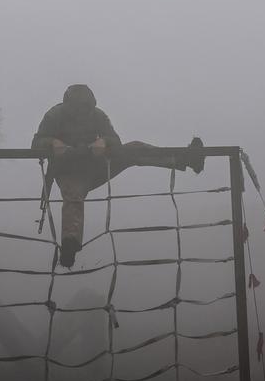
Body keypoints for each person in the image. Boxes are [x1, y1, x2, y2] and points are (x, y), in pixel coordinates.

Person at [32, 84, 204, 268]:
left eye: (86, 108)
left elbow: (115, 141)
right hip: (68, 171)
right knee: (73, 196)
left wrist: (103, 141)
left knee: (135, 148)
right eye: (78, 108)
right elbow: (36, 144)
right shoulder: (54, 115)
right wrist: (52, 143)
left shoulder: (98, 115)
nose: (82, 112)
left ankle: (185, 159)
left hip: (96, 166)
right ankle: (69, 245)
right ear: (68, 106)